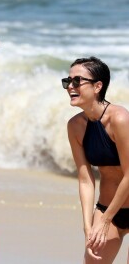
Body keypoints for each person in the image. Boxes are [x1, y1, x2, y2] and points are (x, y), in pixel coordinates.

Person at [62, 56, 129, 263]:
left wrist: (106, 219)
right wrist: (88, 226)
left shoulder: (119, 118)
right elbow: (85, 179)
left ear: (98, 86)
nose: (70, 87)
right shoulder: (75, 126)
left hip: (109, 214)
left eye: (77, 81)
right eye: (67, 81)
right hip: (106, 206)